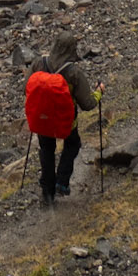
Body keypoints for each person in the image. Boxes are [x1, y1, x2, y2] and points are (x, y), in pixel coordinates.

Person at [26, 32, 97, 206]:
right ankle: (62, 181)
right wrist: (99, 92)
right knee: (73, 145)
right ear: (72, 49)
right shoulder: (73, 72)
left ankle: (47, 192)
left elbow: (25, 88)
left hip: (42, 120)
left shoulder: (38, 63)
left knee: (46, 150)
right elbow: (88, 104)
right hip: (66, 121)